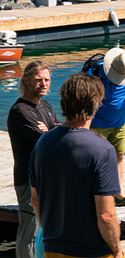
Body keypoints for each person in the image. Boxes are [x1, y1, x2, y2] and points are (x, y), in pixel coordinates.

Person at [29, 73, 123, 258]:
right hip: (93, 251)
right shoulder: (102, 149)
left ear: (64, 103)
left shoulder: (43, 143)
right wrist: (117, 250)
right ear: (96, 105)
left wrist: (51, 234)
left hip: (53, 247)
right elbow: (106, 216)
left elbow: (35, 200)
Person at [7, 61, 61, 258]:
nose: (44, 84)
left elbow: (60, 131)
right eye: (39, 80)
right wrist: (51, 132)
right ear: (26, 80)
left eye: (47, 80)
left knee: (46, 229)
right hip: (28, 179)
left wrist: (52, 131)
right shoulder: (21, 111)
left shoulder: (45, 105)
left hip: (46, 176)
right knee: (29, 233)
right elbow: (46, 139)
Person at [89, 47, 125, 206]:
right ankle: (93, 196)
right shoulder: (94, 73)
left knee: (119, 156)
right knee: (96, 161)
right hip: (97, 125)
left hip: (121, 123)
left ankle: (119, 195)